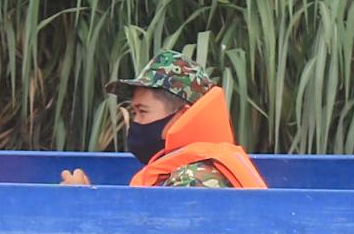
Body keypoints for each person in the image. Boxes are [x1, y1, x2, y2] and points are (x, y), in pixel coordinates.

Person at [103, 43, 265, 188]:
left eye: (143, 111)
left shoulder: (194, 180)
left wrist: (83, 200)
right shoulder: (184, 170)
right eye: (133, 113)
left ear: (183, 116)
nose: (135, 121)